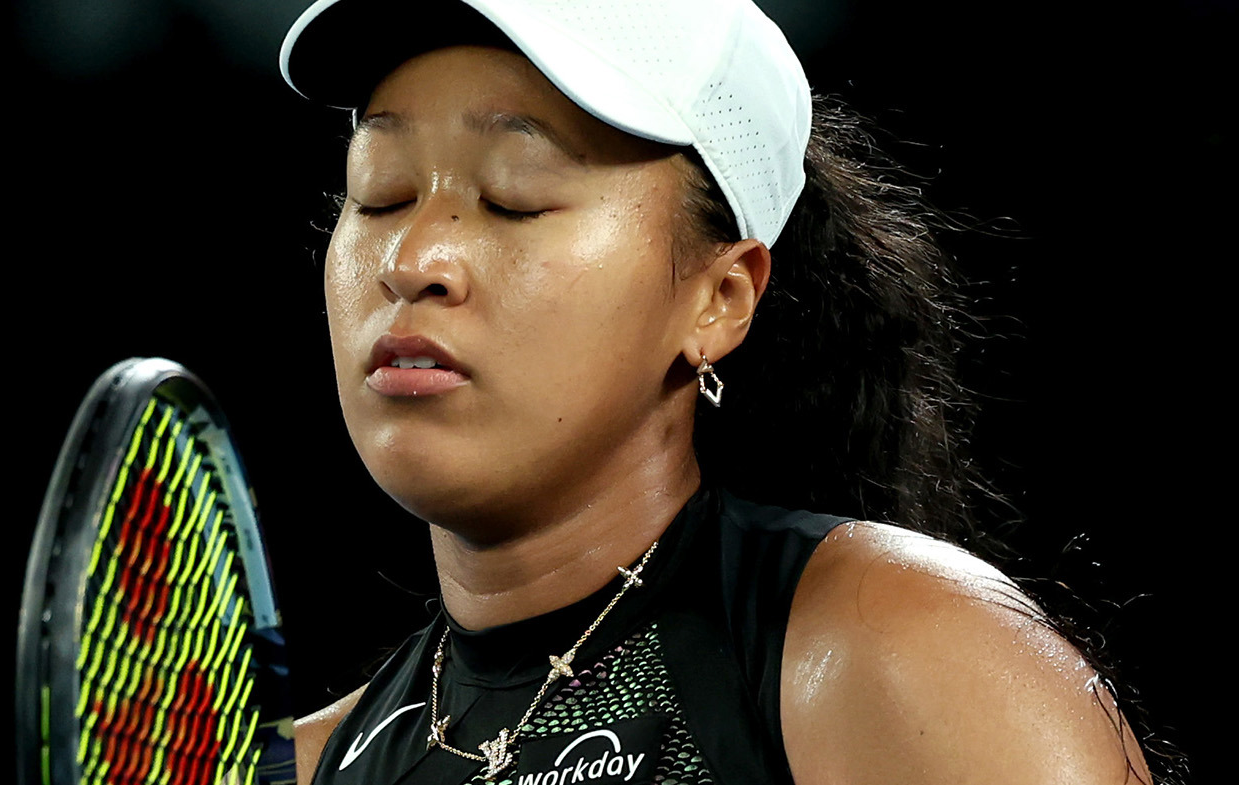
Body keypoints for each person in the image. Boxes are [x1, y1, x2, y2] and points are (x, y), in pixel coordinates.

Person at [277, 1, 1157, 783]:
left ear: (720, 298)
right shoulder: (295, 765)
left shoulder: (903, 657)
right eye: (380, 194)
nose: (411, 260)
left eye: (515, 197)